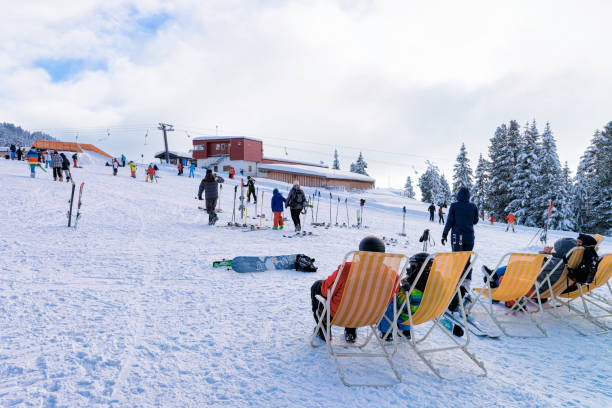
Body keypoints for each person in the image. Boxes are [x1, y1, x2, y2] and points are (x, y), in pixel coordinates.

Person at [311, 236, 386, 343]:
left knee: (317, 285)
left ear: (361, 254)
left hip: (338, 314)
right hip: (367, 316)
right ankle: (350, 331)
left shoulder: (347, 270)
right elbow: (391, 297)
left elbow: (326, 290)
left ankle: (324, 331)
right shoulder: (390, 275)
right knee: (361, 299)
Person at [481, 235, 597, 302]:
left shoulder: (557, 263)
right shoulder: (573, 261)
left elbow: (536, 265)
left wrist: (543, 254)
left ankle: (495, 278)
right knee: (521, 267)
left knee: (518, 266)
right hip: (550, 286)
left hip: (537, 288)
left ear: (562, 251)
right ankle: (494, 277)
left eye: (556, 250)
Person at [378, 252, 464, 341]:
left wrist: (402, 288)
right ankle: (405, 331)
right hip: (427, 314)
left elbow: (400, 302)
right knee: (409, 306)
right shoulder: (437, 282)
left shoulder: (411, 284)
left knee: (392, 305)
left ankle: (386, 333)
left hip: (407, 315)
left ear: (415, 267)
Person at [441, 186, 478, 291]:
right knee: (467, 259)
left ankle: (456, 282)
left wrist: (444, 234)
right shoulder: (473, 206)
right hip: (469, 238)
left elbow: (449, 221)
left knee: (457, 259)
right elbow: (475, 221)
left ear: (458, 195)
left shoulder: (454, 206)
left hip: (457, 237)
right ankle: (466, 283)